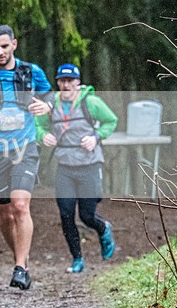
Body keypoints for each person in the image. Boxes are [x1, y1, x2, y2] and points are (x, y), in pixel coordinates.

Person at [0, 25, 53, 291]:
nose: (0, 51)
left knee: (20, 206)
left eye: (5, 46)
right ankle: (23, 259)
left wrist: (46, 105)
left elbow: (49, 95)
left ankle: (19, 267)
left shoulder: (31, 72)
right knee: (5, 214)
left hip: (25, 147)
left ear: (14, 44)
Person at [35, 63, 118, 273]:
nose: (66, 85)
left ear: (78, 83)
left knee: (87, 216)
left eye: (70, 81)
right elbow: (38, 125)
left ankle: (103, 228)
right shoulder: (50, 104)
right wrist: (43, 135)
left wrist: (96, 137)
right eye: (62, 81)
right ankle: (77, 259)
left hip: (89, 164)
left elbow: (111, 121)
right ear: (58, 83)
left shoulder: (91, 102)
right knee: (65, 214)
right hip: (65, 166)